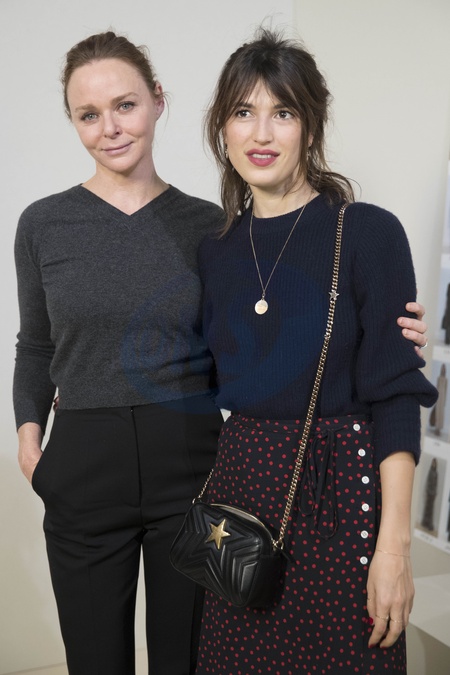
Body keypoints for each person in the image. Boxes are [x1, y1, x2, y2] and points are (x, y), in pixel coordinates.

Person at [13, 30, 428, 675]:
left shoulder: (263, 231)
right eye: (87, 114)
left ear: (158, 100)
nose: (109, 127)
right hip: (163, 477)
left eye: (282, 112)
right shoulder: (182, 240)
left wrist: (389, 332)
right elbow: (45, 342)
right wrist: (33, 440)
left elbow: (363, 375)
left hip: (260, 480)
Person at [194, 29, 438, 674]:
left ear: (310, 126)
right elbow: (193, 371)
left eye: (283, 112)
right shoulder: (214, 250)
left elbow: (395, 397)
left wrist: (394, 550)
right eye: (243, 112)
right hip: (241, 496)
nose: (261, 133)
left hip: (340, 494)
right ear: (222, 129)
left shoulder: (366, 233)